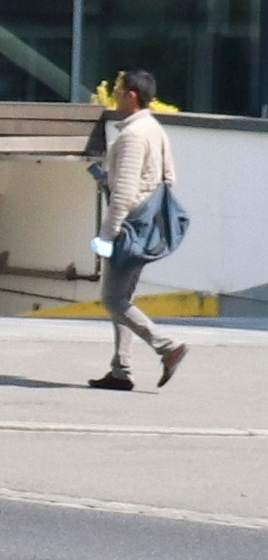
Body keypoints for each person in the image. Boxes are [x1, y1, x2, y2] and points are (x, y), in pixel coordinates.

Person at [87, 69, 188, 392]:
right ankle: (121, 370)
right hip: (147, 224)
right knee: (124, 298)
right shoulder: (155, 130)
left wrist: (108, 233)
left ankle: (167, 346)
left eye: (118, 90)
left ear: (131, 95)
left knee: (113, 299)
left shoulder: (133, 136)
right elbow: (167, 178)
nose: (115, 94)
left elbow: (126, 192)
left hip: (129, 226)